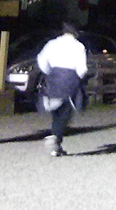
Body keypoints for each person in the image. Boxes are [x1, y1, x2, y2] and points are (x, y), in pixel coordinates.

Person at [37, 22, 88, 157]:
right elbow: (82, 69)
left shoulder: (51, 44)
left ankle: (56, 146)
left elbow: (41, 60)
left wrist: (48, 72)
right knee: (66, 110)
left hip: (53, 77)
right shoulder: (78, 46)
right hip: (70, 79)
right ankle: (55, 137)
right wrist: (80, 77)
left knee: (56, 108)